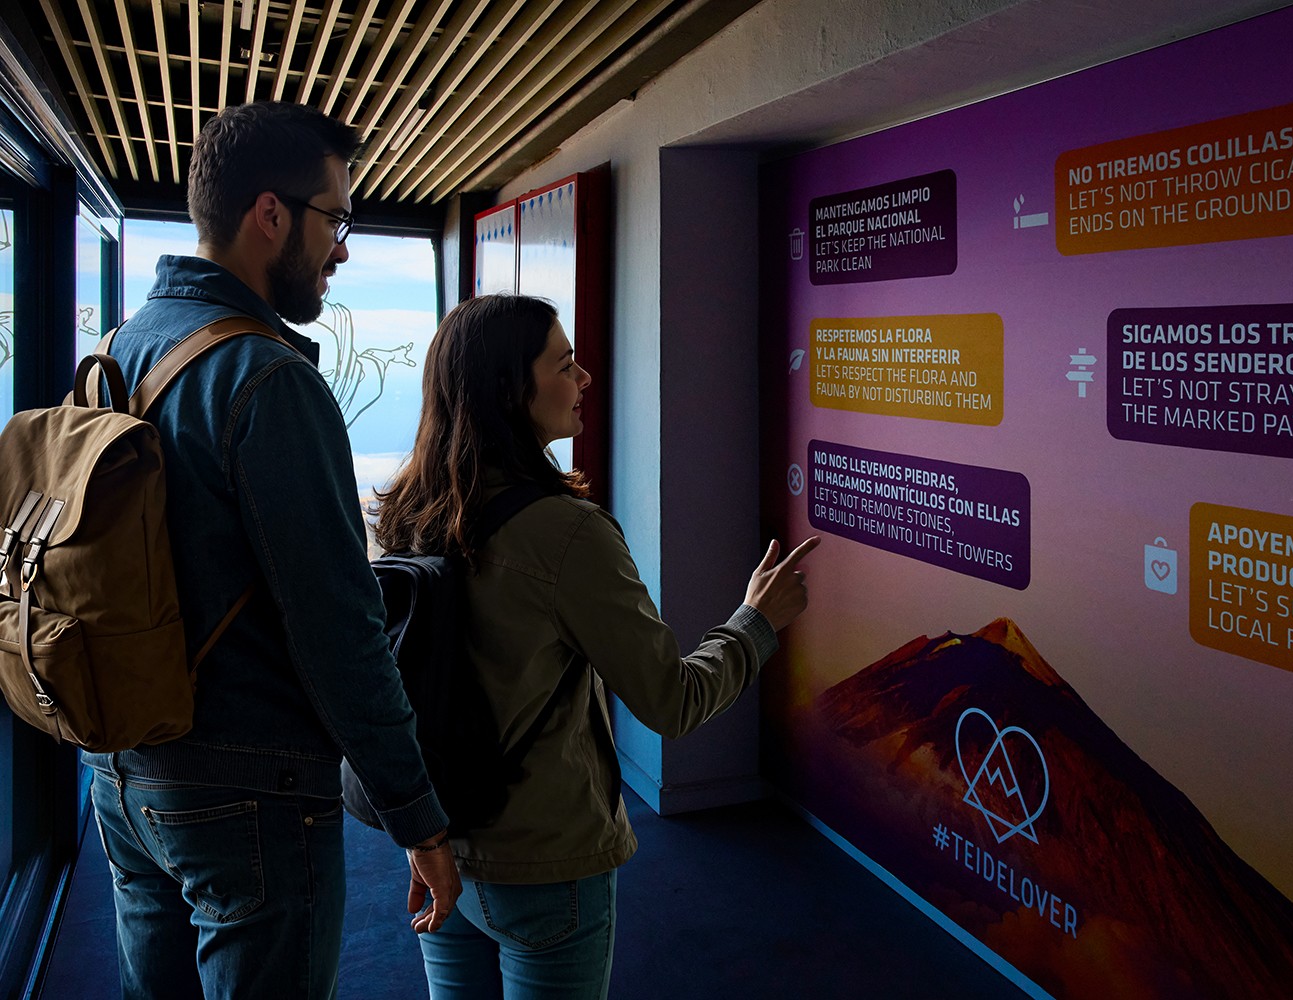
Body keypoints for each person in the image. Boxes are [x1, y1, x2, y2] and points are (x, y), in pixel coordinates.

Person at [81, 101, 460, 999]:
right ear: (270, 215)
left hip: (122, 774)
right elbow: (340, 627)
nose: (342, 250)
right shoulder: (267, 378)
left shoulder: (120, 349)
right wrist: (417, 817)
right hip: (247, 791)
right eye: (336, 219)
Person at [373, 293, 818, 998]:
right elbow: (671, 701)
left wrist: (421, 831)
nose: (584, 378)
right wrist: (756, 621)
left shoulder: (408, 515)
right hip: (545, 865)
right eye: (564, 364)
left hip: (437, 843)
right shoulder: (568, 533)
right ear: (510, 392)